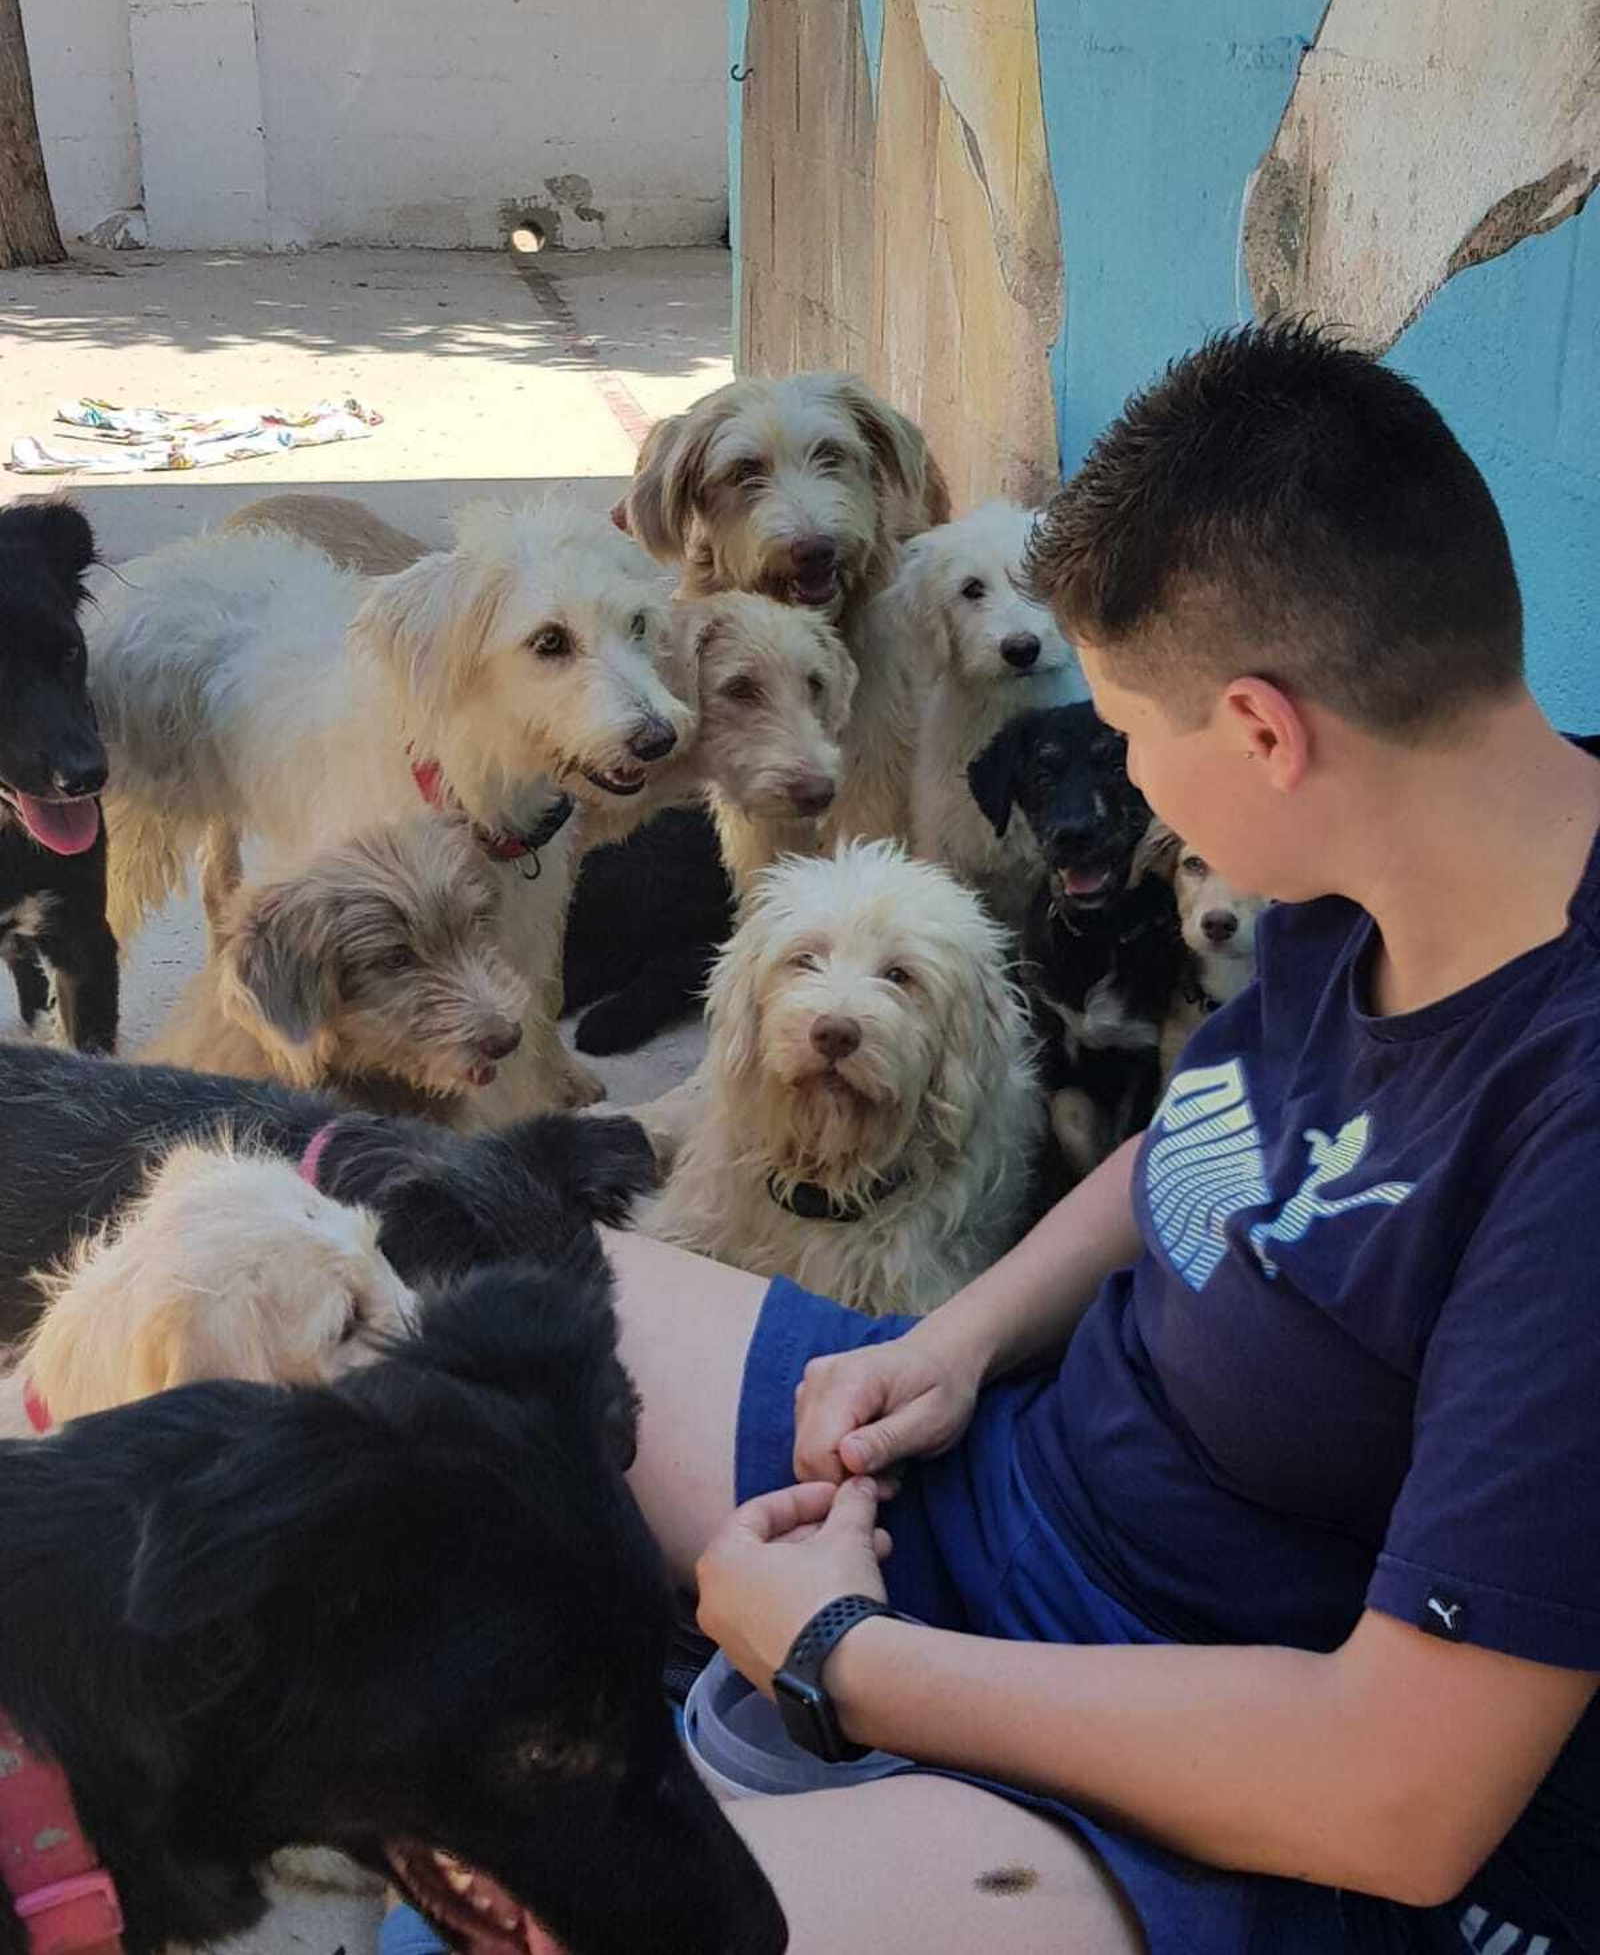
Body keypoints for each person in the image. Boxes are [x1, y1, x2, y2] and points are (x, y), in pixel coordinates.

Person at [404, 322, 1600, 1955]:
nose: (1132, 791)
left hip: (1194, 1761)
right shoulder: (1409, 843)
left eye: (1126, 730)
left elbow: (1400, 1792)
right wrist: (959, 1339)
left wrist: (843, 1652)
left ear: (1259, 731)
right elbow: (1208, 1132)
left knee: (479, 1927)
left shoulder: (1568, 1129)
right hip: (1013, 1487)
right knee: (433, 1287)